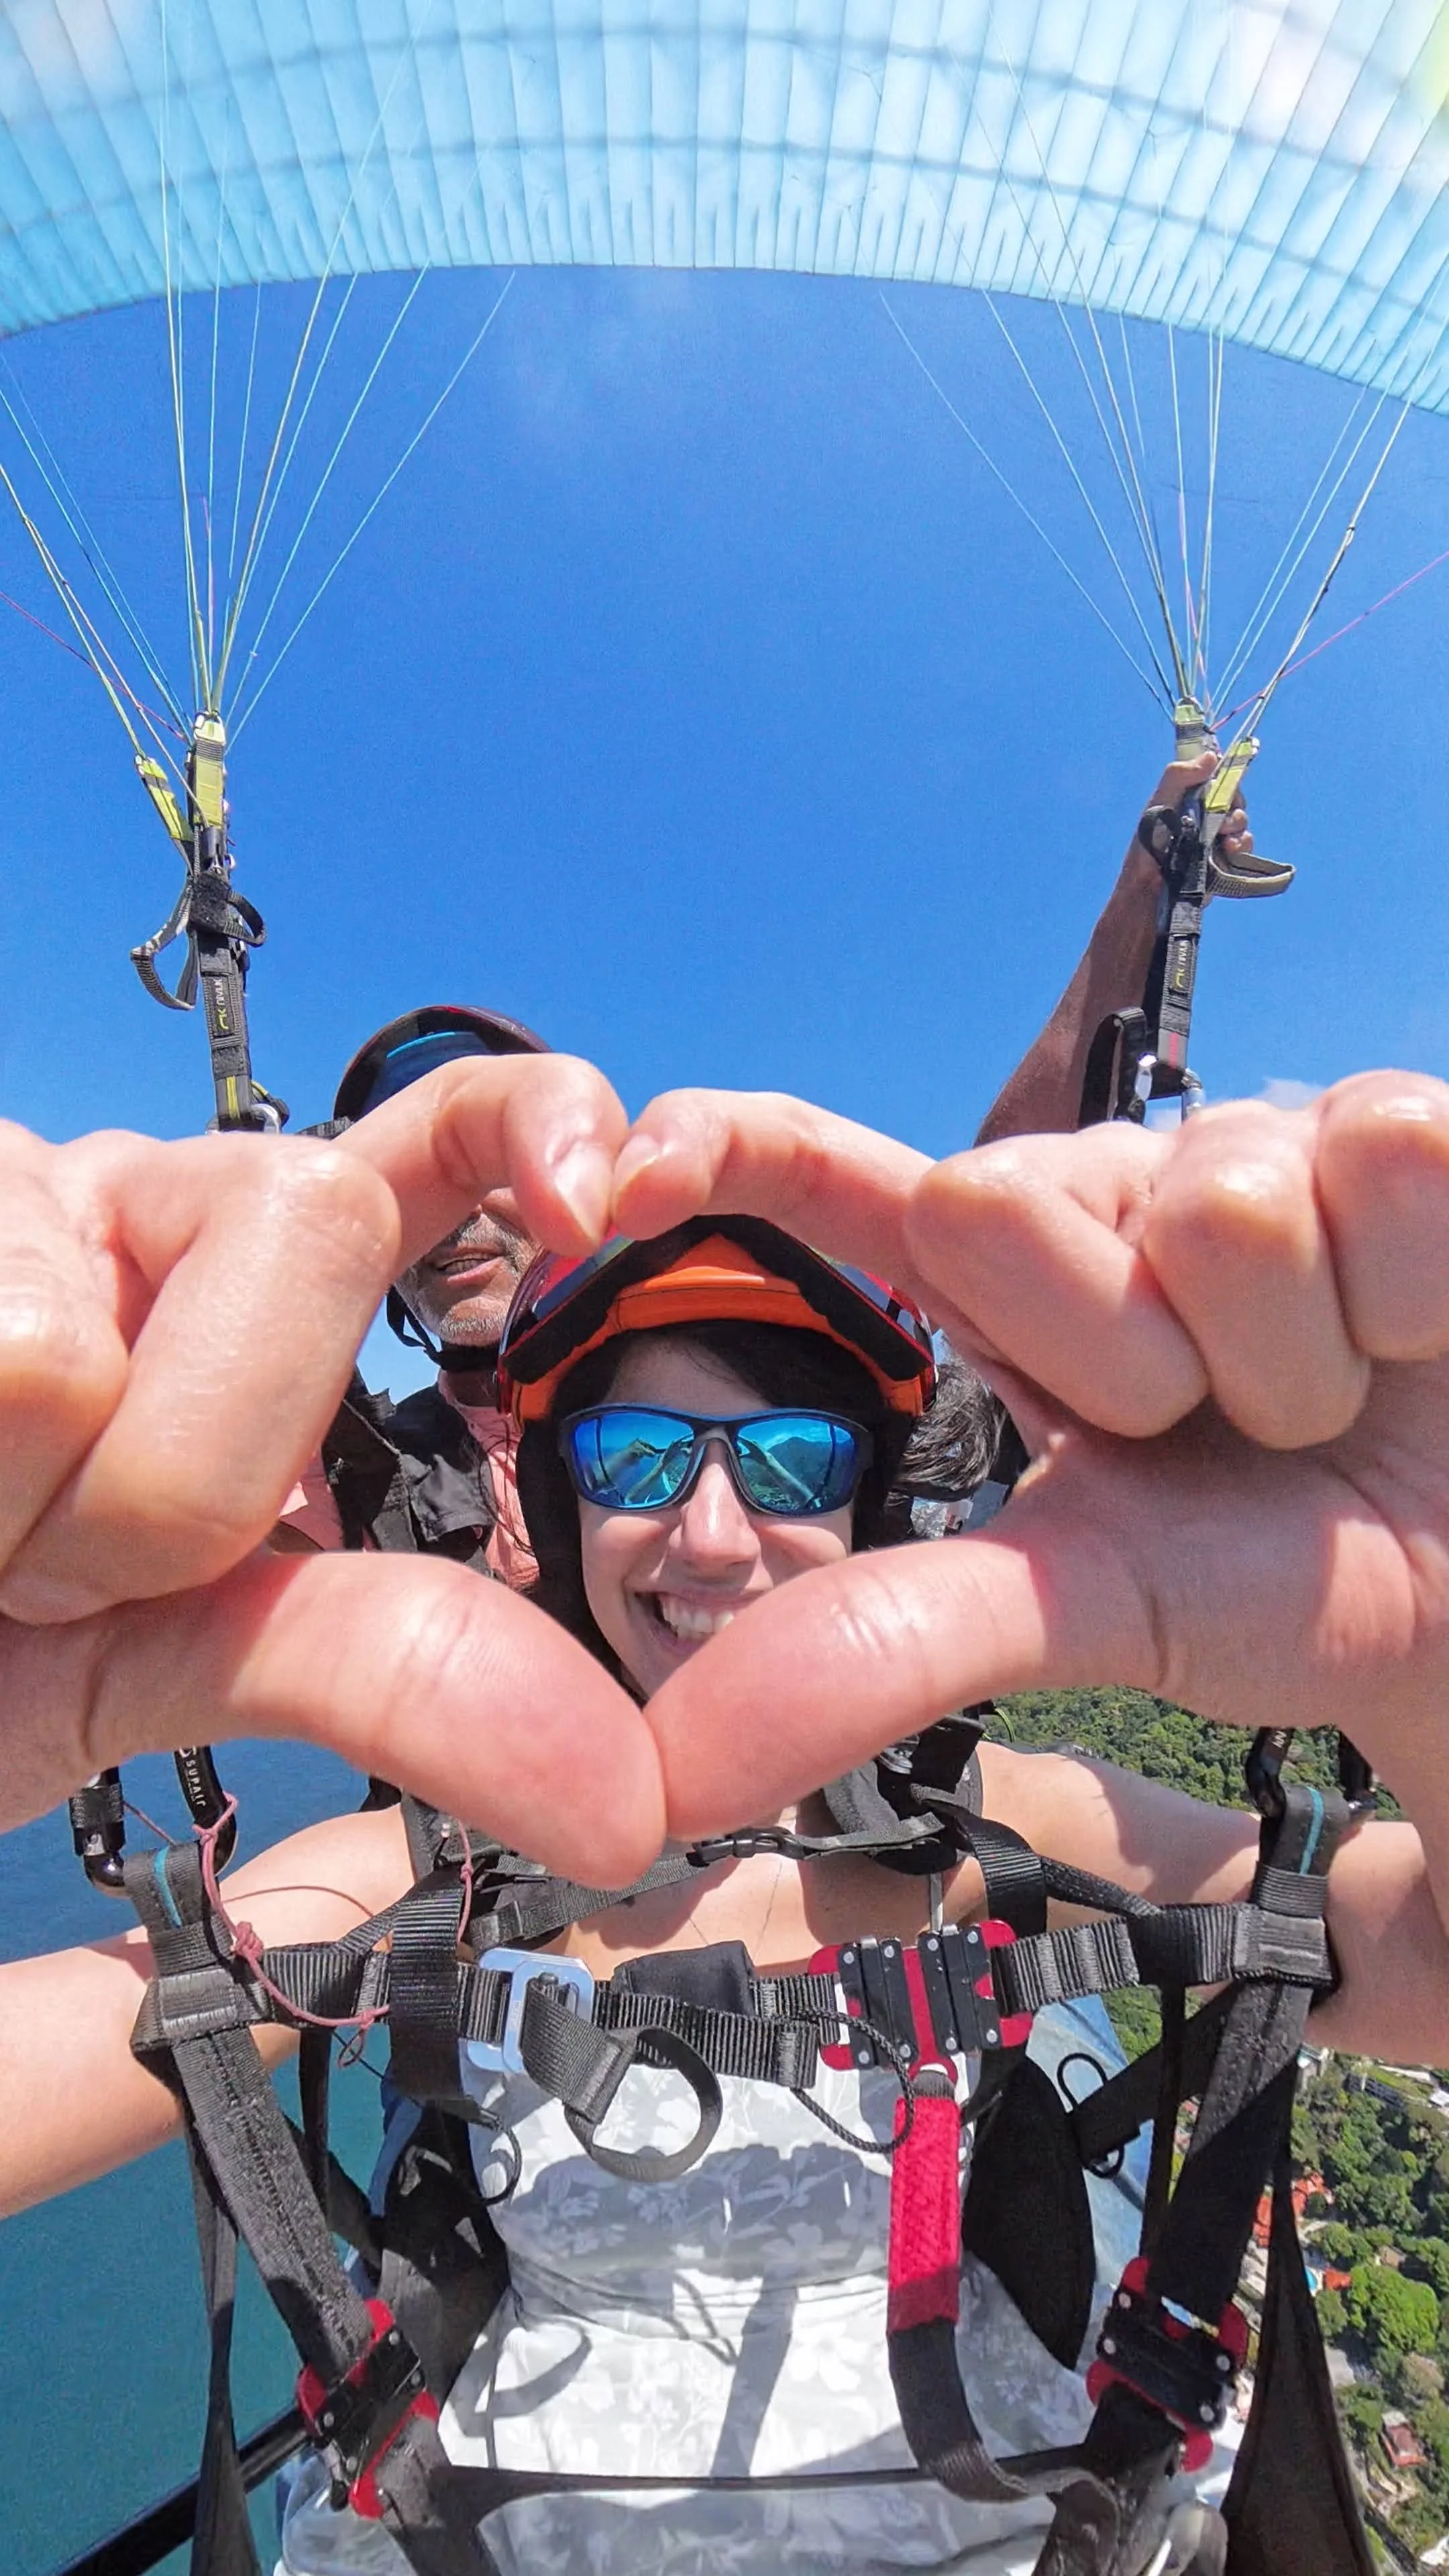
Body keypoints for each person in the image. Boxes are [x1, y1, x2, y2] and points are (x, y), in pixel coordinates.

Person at [3, 1057, 1449, 2576]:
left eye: (789, 1459)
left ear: (866, 1510)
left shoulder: (980, 1831)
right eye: (635, 1459)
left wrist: (1418, 1646)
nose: (707, 1532)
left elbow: (1413, 1965)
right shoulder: (439, 1867)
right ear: (565, 1515)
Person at [276, 745, 1252, 1570]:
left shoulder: (759, 1395)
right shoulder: (357, 1478)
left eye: (482, 1158)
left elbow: (989, 1250)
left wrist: (1139, 904)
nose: (449, 1218)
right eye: (406, 1189)